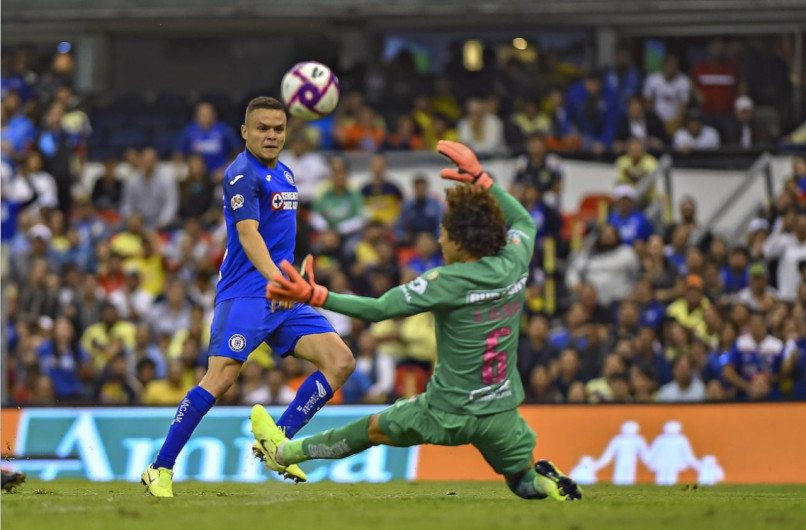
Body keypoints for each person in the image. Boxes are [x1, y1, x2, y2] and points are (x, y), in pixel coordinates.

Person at [259, 140, 582, 502]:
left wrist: (317, 297)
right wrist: (483, 180)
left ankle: (285, 453)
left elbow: (379, 309)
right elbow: (523, 221)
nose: (439, 238)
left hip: (446, 411)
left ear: (460, 241)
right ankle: (547, 483)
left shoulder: (447, 282)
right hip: (501, 410)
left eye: (444, 232)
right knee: (522, 481)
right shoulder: (514, 261)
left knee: (371, 429)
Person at [141, 97, 354, 497]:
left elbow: (280, 238)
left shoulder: (287, 173)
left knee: (340, 361)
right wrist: (280, 280)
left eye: (278, 129)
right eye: (262, 128)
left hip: (283, 294)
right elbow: (248, 234)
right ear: (245, 132)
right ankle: (160, 467)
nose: (271, 135)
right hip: (247, 293)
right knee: (221, 377)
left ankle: (279, 443)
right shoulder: (241, 173)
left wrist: (290, 281)